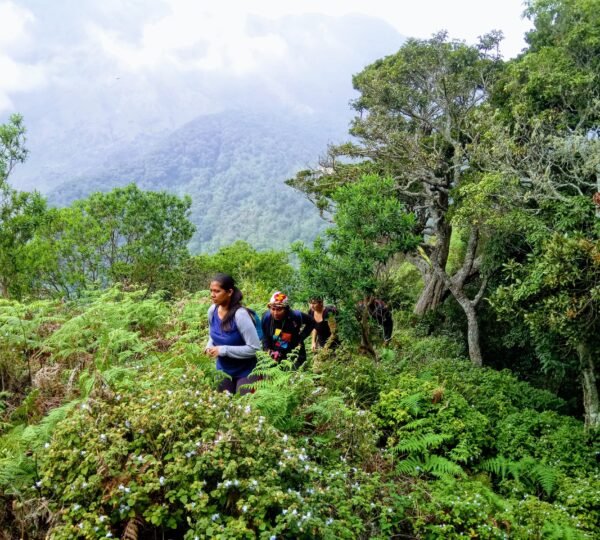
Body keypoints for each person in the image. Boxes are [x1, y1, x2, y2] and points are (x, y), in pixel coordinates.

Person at [205, 273, 261, 395]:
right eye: (211, 291)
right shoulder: (212, 311)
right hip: (223, 370)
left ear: (229, 292)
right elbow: (213, 334)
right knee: (224, 407)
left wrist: (223, 350)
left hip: (246, 371)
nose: (212, 295)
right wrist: (209, 346)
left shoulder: (240, 315)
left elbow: (254, 348)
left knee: (244, 408)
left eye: (217, 291)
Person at [261, 291, 315, 366]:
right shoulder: (266, 318)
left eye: (279, 309)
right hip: (274, 355)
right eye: (273, 309)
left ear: (286, 309)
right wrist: (268, 350)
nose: (275, 313)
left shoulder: (295, 316)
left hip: (294, 353)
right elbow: (265, 335)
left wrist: (301, 337)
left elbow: (312, 322)